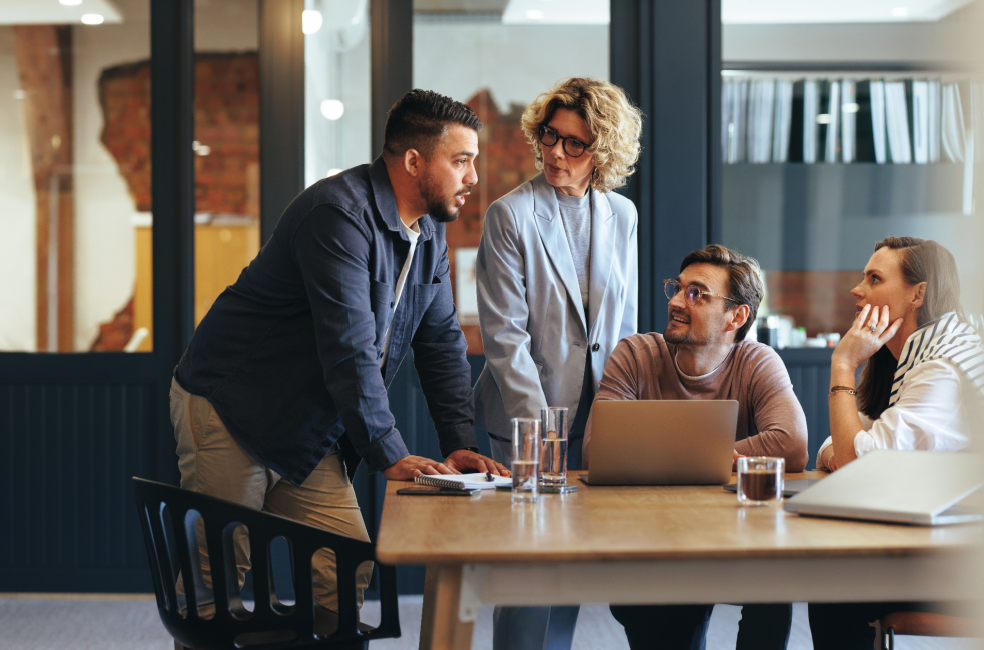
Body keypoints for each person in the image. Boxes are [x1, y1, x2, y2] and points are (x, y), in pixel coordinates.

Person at [169, 89, 506, 633]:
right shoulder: (338, 216)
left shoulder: (430, 232)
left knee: (344, 566)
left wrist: (458, 444)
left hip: (307, 422)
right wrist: (390, 454)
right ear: (414, 162)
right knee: (218, 578)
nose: (473, 178)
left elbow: (440, 339)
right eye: (462, 161)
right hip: (231, 405)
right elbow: (349, 349)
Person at [474, 77, 642, 650]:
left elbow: (623, 325)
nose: (557, 154)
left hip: (598, 416)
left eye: (576, 144)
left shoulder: (622, 214)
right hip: (527, 418)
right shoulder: (509, 216)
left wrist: (620, 413)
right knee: (527, 572)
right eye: (550, 136)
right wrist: (540, 434)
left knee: (568, 565)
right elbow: (503, 338)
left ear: (604, 152)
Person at [583, 244, 809, 650]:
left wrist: (682, 457)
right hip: (654, 538)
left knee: (775, 583)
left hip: (736, 535)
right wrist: (722, 458)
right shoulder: (635, 354)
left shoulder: (757, 361)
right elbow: (598, 448)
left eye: (697, 294)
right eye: (678, 288)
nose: (675, 301)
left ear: (736, 317)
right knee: (657, 612)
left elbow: (791, 443)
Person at [809, 236, 984, 649]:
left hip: (971, 569)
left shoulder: (942, 368)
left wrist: (842, 364)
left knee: (832, 589)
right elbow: (840, 447)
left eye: (873, 278)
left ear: (918, 294)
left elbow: (859, 463)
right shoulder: (911, 355)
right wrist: (847, 450)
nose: (857, 290)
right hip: (940, 546)